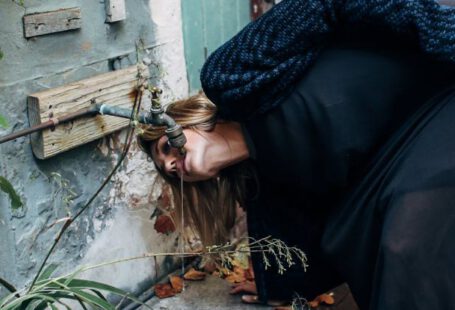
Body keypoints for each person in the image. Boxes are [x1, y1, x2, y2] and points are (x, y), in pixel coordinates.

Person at [138, 0, 455, 309]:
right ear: (210, 177)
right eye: (167, 170)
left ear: (190, 123)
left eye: (165, 148)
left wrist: (439, 27)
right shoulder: (264, 182)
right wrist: (277, 286)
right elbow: (307, 244)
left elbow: (325, 4)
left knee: (407, 244)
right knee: (368, 243)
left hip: (439, 84)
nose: (169, 163)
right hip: (401, 151)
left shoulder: (231, 78)